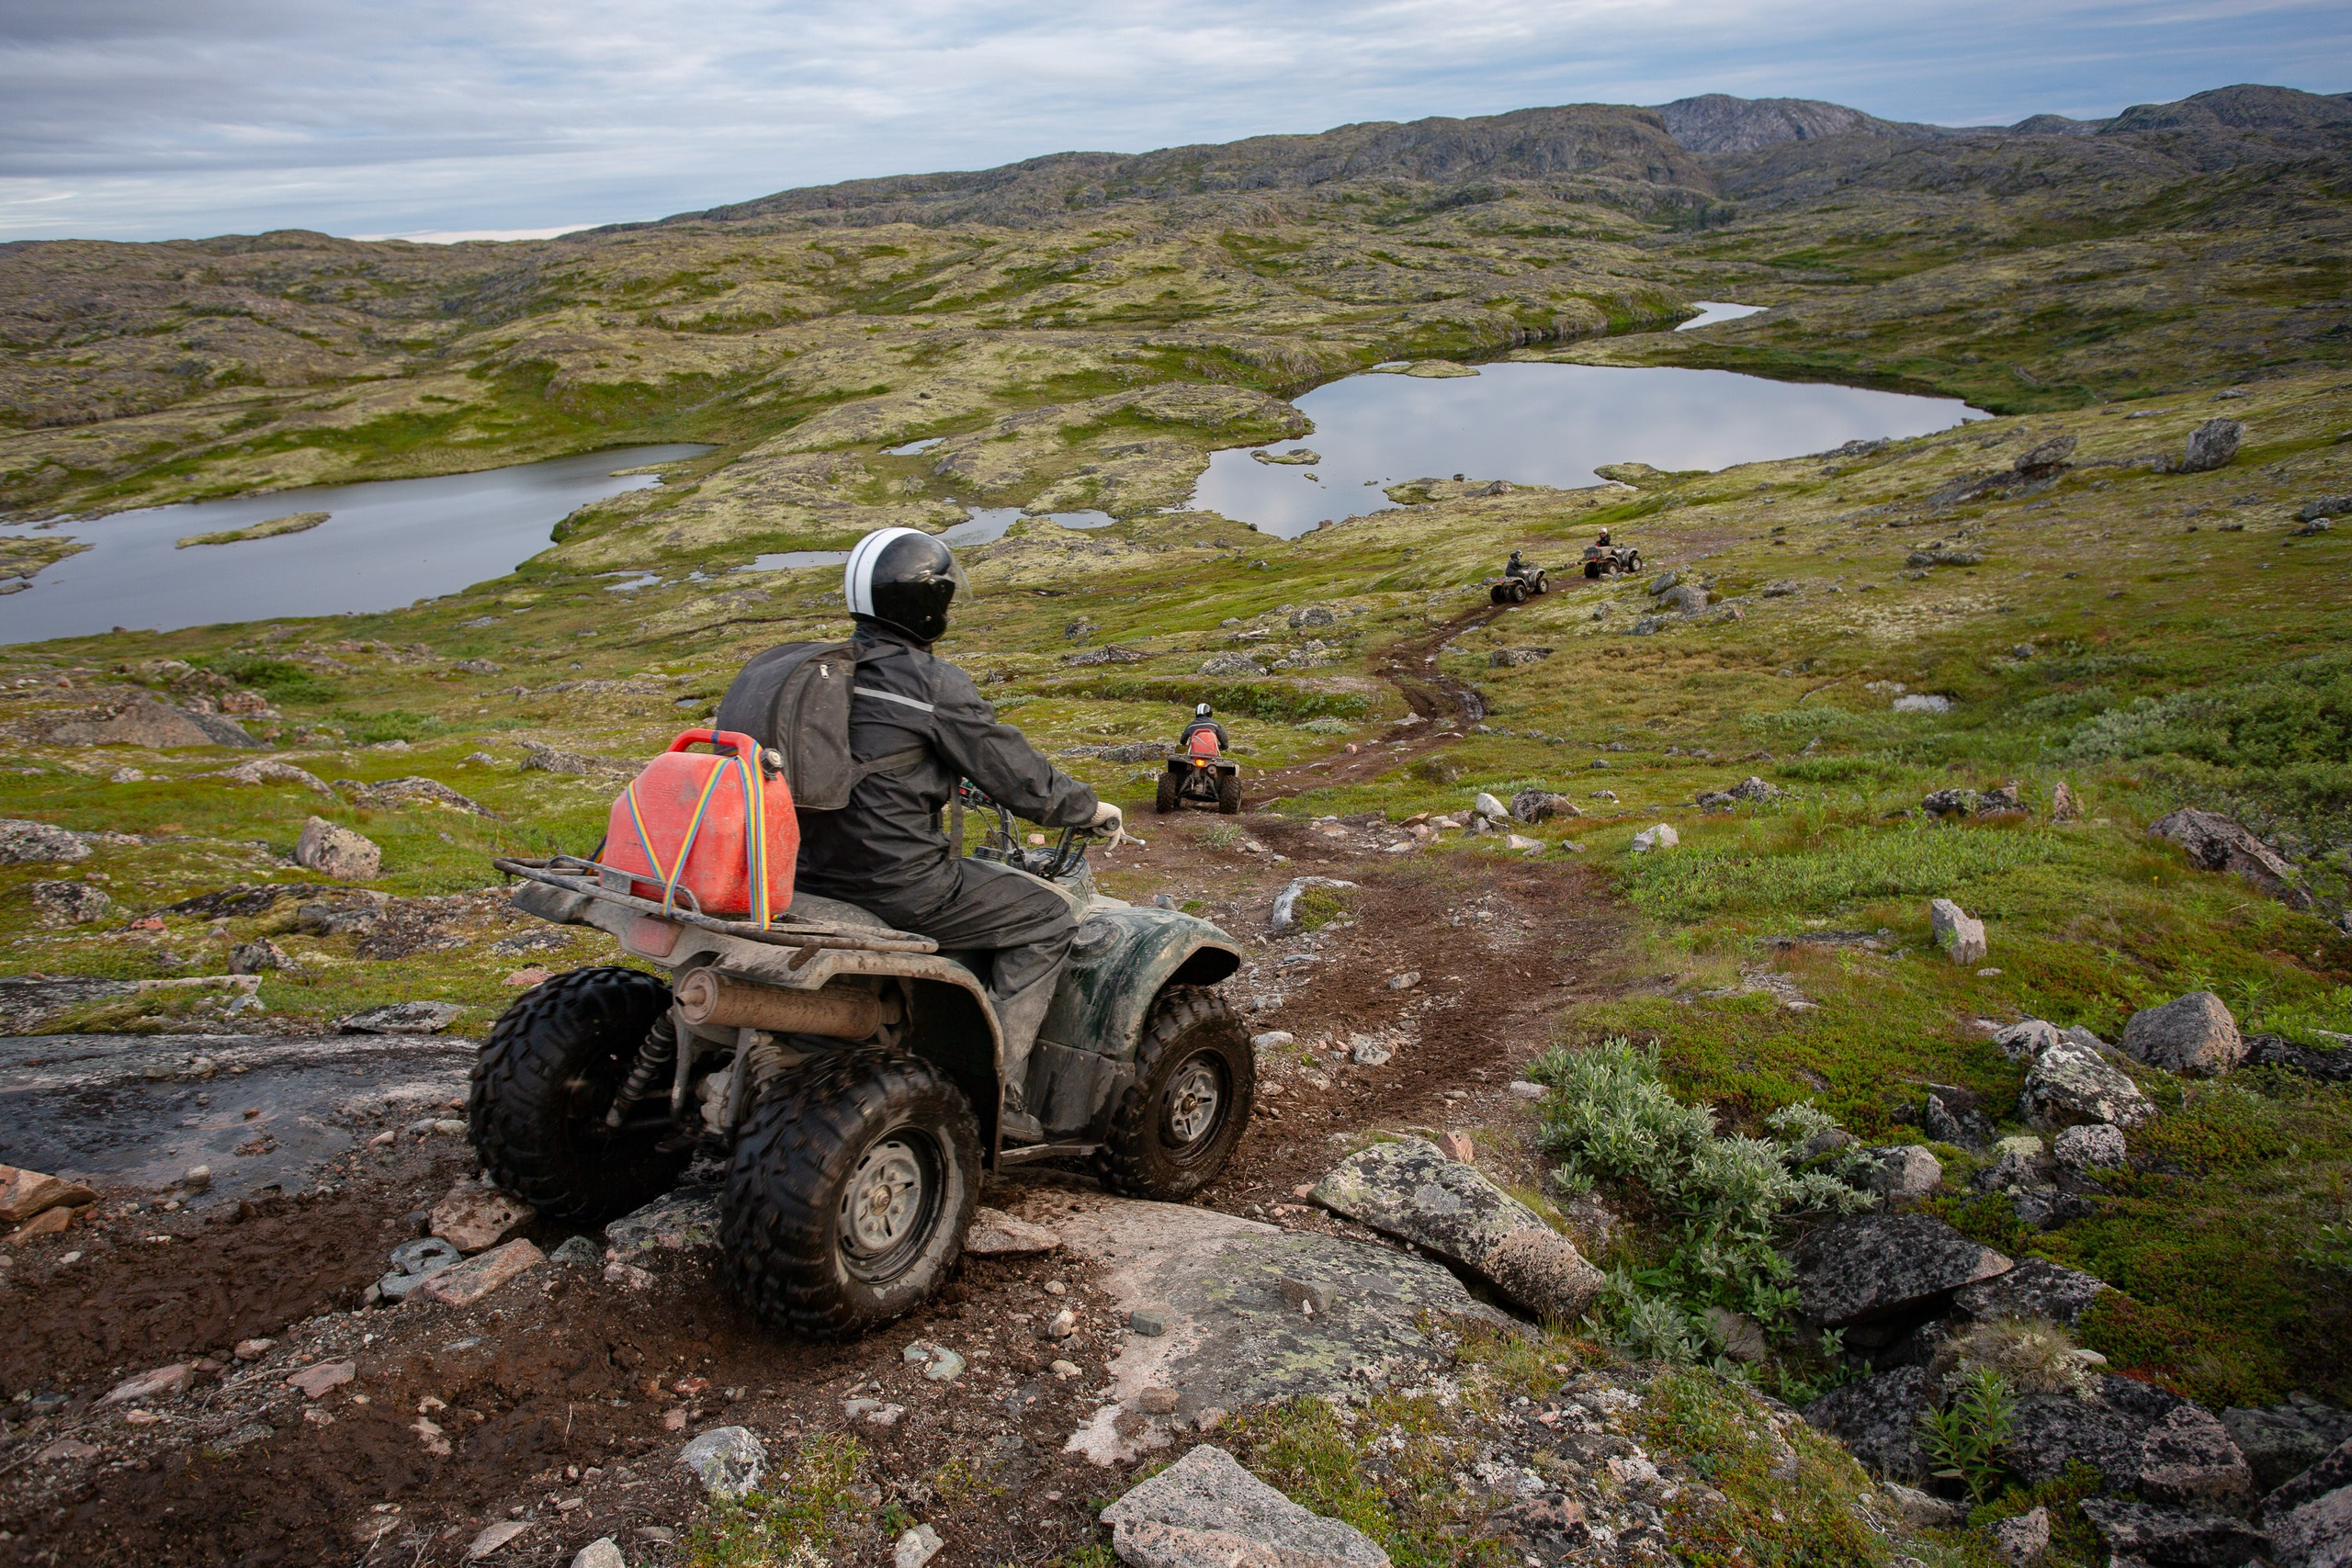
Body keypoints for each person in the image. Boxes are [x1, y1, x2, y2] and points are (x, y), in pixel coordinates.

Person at [793, 526, 1124, 1143]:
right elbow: (1016, 773)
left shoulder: (822, 671)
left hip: (803, 870)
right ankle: (997, 1091)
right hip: (898, 883)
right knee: (1047, 918)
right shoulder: (931, 685)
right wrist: (1086, 808)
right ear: (926, 604)